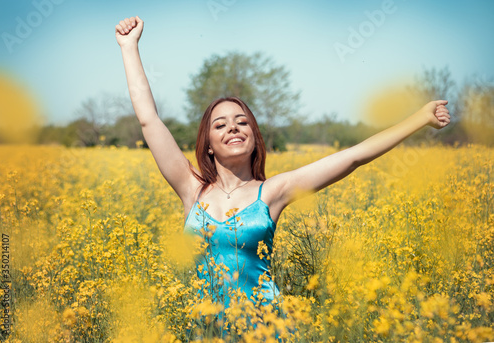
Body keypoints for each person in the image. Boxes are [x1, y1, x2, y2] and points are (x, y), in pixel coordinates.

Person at [115, 14, 450, 330]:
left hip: (265, 331)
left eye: (242, 122)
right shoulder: (192, 189)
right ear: (208, 145)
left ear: (254, 138)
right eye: (221, 125)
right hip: (205, 331)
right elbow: (149, 119)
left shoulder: (273, 192)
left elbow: (353, 157)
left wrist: (419, 118)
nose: (233, 128)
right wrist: (130, 48)